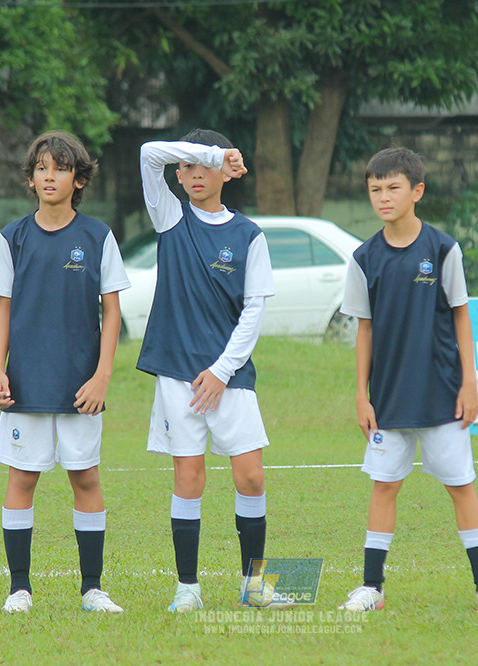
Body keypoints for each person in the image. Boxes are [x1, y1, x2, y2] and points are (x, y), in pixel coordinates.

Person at [337, 147, 478, 613]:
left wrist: (469, 381)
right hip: (389, 398)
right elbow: (365, 329)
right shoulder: (363, 258)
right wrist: (361, 395)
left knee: (460, 485)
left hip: (443, 395)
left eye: (393, 187)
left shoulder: (442, 249)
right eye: (375, 189)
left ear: (416, 191)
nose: (383, 197)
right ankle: (371, 588)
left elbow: (461, 314)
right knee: (384, 486)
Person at [0, 130, 130, 614]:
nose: (50, 176)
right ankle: (19, 589)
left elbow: (112, 312)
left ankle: (92, 589)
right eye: (42, 168)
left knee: (85, 477)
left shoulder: (97, 236)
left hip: (80, 385)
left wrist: (103, 374)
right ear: (31, 179)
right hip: (26, 381)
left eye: (61, 168)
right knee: (22, 478)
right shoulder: (12, 237)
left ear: (79, 178)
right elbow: (4, 309)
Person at [138, 130, 274, 612]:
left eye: (206, 166)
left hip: (229, 377)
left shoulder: (249, 236)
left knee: (251, 477)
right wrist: (210, 151)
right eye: (188, 166)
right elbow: (147, 154)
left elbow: (253, 312)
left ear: (225, 174)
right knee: (189, 477)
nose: (196, 173)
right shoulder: (170, 217)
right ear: (178, 174)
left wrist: (221, 370)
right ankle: (188, 588)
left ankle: (255, 587)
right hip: (177, 374)